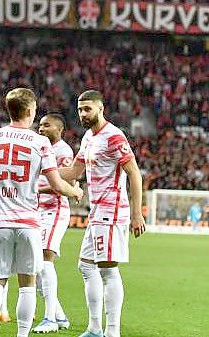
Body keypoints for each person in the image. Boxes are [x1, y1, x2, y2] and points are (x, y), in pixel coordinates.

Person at [0, 88, 82, 337]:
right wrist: (75, 193)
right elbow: (56, 184)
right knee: (27, 283)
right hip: (29, 222)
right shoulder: (40, 142)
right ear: (31, 111)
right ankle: (22, 334)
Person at [59, 90, 145, 337]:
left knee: (107, 270)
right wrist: (44, 169)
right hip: (96, 211)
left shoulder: (114, 136)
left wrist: (136, 213)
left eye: (87, 109)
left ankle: (112, 332)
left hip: (112, 210)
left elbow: (134, 173)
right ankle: (95, 328)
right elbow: (74, 172)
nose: (83, 114)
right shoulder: (88, 138)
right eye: (79, 110)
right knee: (86, 266)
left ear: (100, 108)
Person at [32, 113, 76, 333]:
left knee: (45, 260)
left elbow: (68, 183)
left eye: (46, 126)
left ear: (59, 129)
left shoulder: (64, 151)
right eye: (39, 125)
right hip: (37, 210)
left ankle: (49, 318)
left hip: (54, 210)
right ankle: (59, 316)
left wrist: (35, 189)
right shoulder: (40, 149)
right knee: (36, 265)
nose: (41, 129)